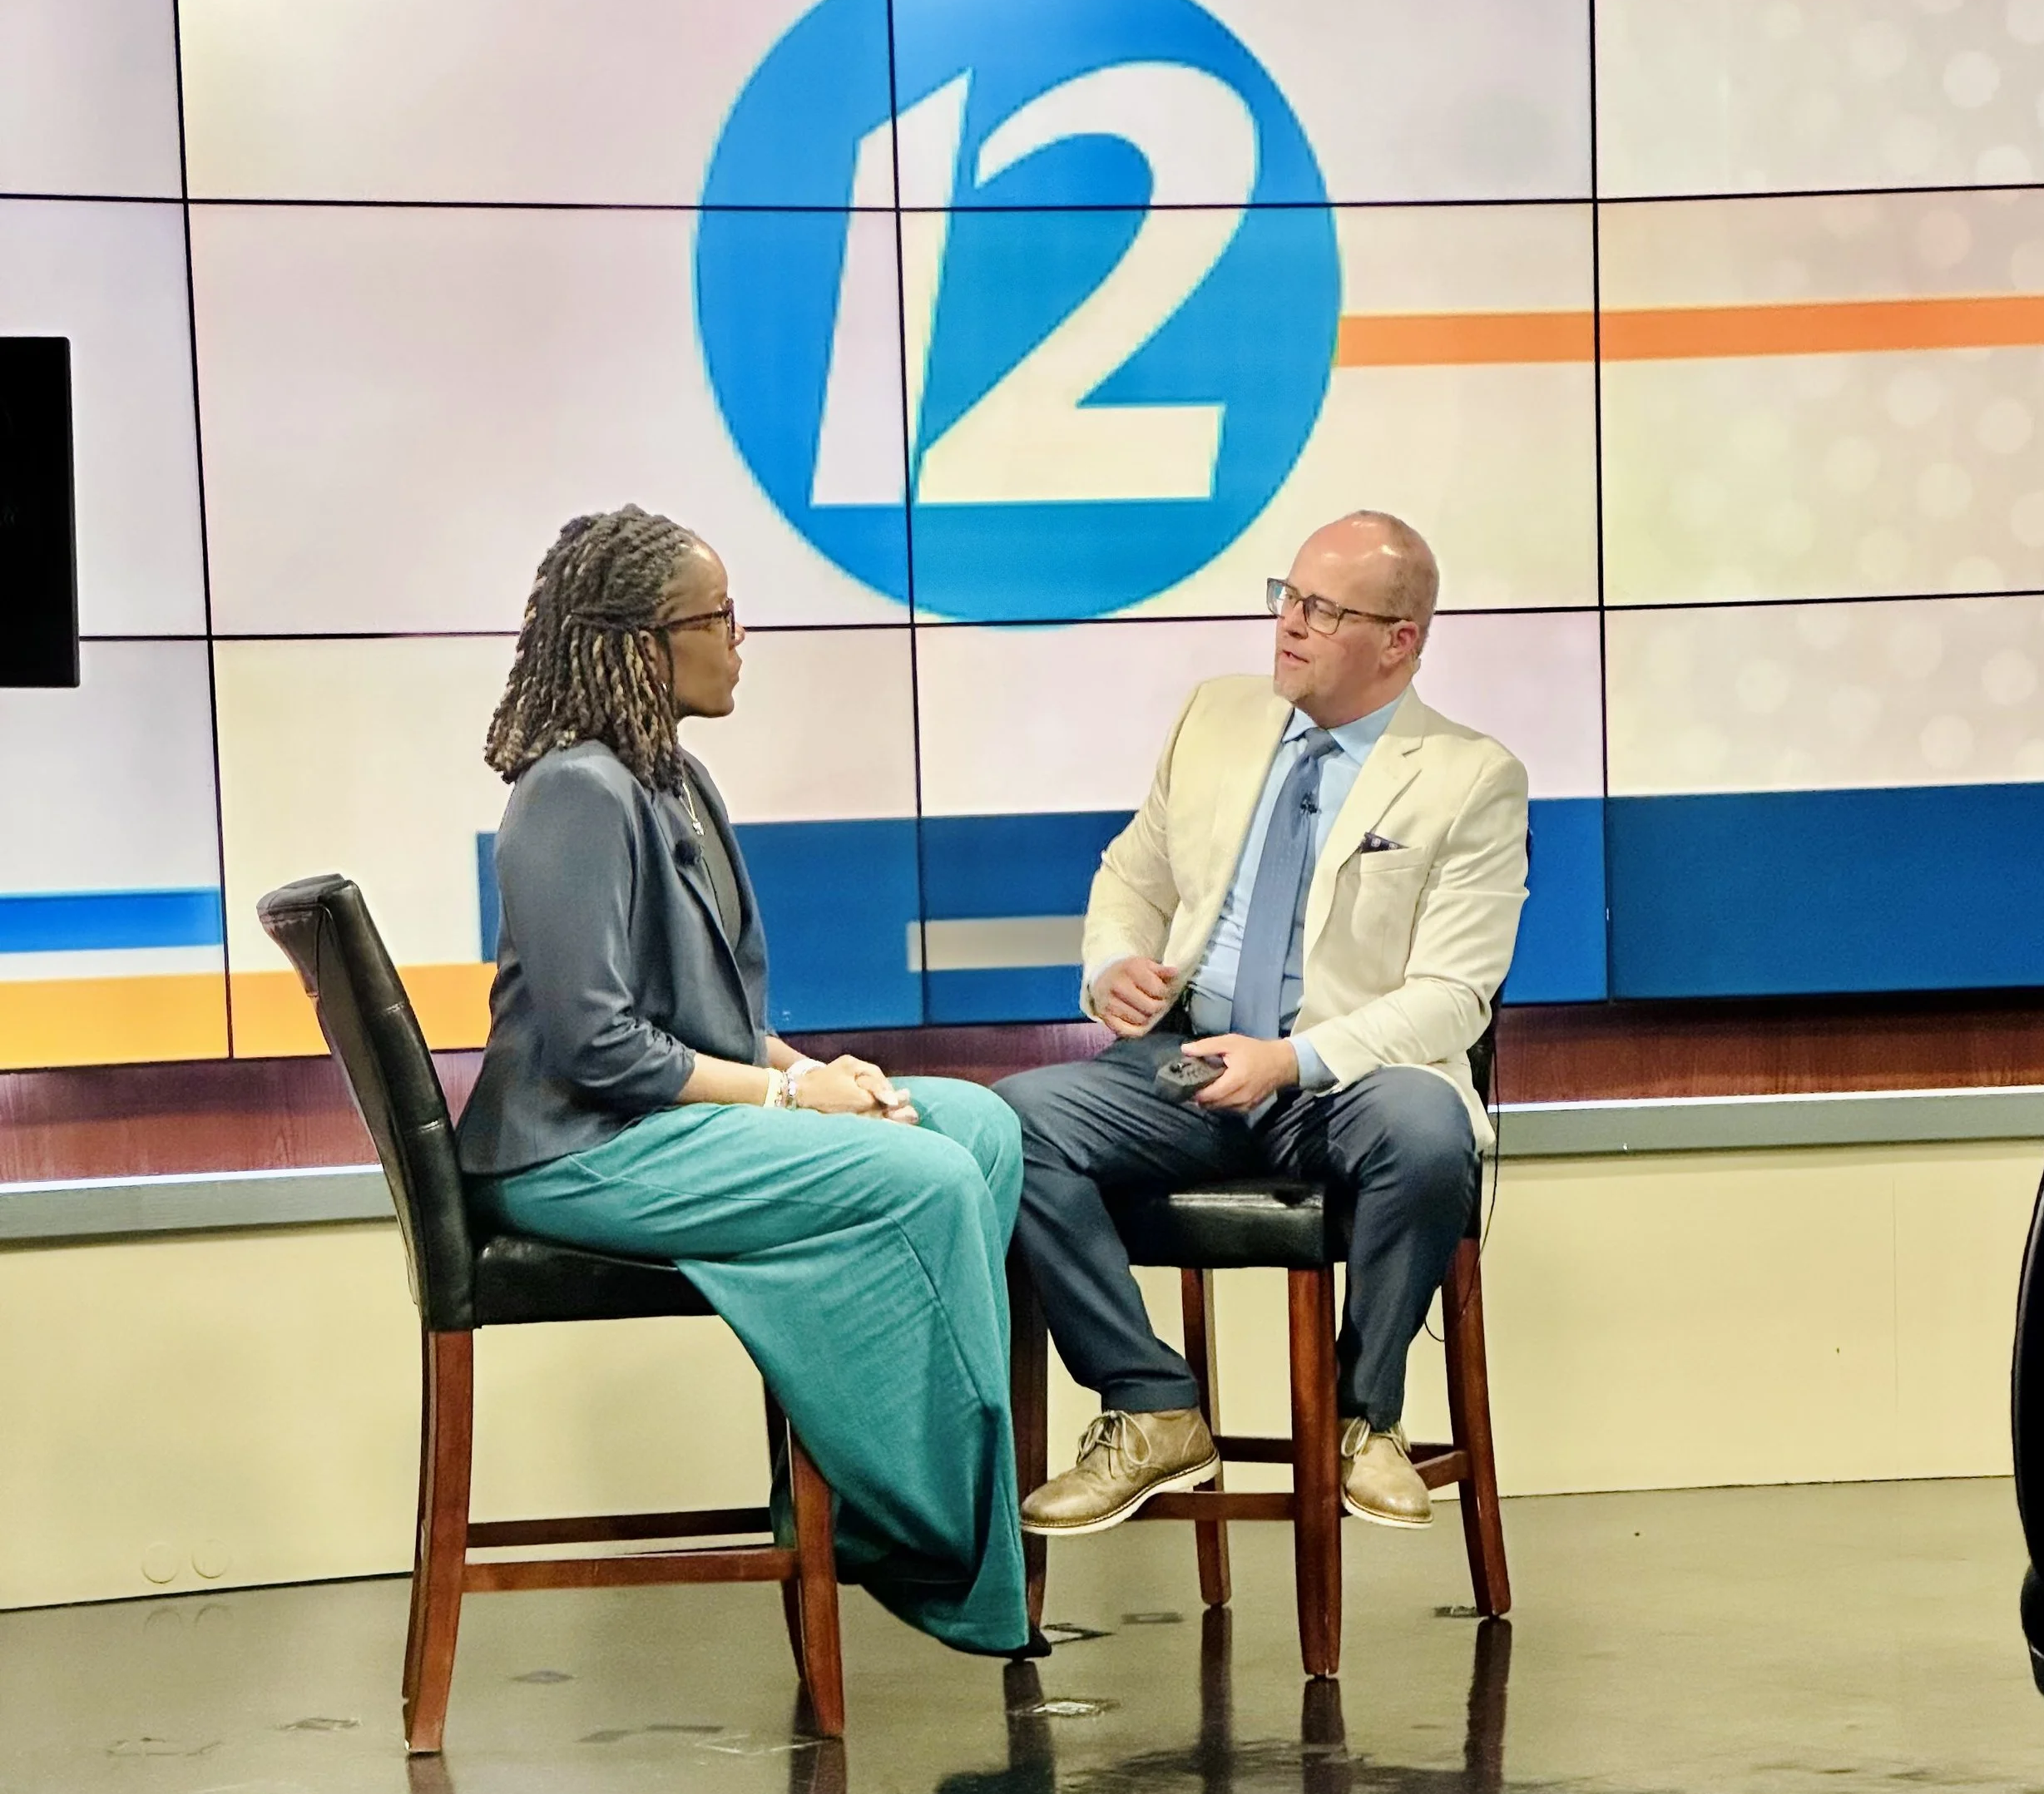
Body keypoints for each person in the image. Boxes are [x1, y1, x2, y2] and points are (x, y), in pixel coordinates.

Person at [457, 504, 1033, 1661]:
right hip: (577, 1150)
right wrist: (782, 1101)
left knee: (976, 1127)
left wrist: (816, 1072)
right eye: (717, 616)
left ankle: (865, 1491)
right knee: (920, 1176)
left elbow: (714, 1014)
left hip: (650, 1122)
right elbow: (595, 1047)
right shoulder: (573, 792)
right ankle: (914, 1522)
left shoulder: (675, 777)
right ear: (639, 640)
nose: (739, 638)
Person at [1000, 510, 1527, 1538]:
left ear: (1399, 639)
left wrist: (1290, 1058)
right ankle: (1150, 1405)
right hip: (1188, 1063)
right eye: (1287, 596)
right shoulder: (1217, 716)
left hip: (1347, 1079)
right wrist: (1113, 963)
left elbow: (1454, 996)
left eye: (1324, 610)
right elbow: (1131, 877)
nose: (1288, 625)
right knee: (1009, 1122)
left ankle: (1365, 1419)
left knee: (1427, 1129)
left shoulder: (1469, 777)